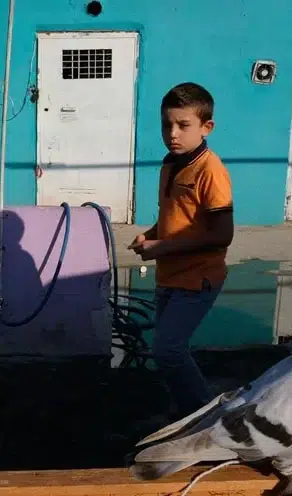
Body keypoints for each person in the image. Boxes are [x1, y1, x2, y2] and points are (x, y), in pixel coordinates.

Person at [128, 82, 235, 419]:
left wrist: (163, 247)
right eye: (166, 124)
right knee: (169, 351)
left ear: (207, 127)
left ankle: (204, 417)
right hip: (170, 276)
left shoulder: (210, 171)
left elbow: (222, 235)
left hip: (199, 278)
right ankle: (184, 408)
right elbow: (174, 218)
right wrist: (151, 236)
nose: (172, 133)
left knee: (168, 349)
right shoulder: (170, 165)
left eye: (183, 125)